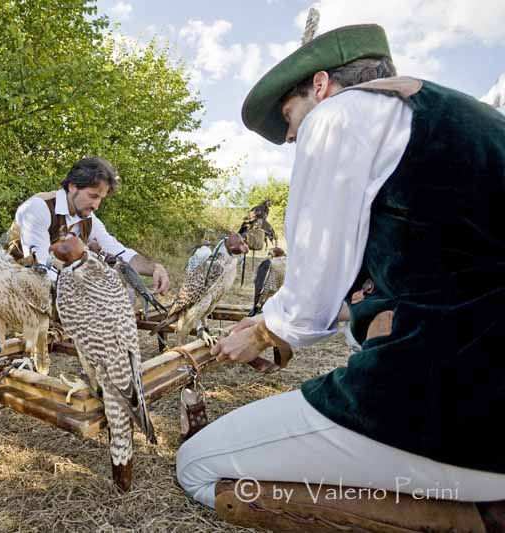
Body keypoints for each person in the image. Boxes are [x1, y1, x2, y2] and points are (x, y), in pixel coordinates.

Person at [176, 23, 505, 531]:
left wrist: (266, 331)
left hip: (457, 400)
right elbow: (439, 275)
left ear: (323, 85)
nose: (290, 136)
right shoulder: (462, 120)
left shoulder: (341, 115)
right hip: (482, 388)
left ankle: (478, 519)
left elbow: (310, 295)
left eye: (288, 116)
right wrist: (286, 332)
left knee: (198, 465)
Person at [7, 156, 170, 294]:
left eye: (100, 199)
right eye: (92, 196)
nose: (96, 205)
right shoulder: (38, 207)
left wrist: (154, 267)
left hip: (55, 290)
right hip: (13, 287)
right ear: (72, 186)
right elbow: (41, 269)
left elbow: (119, 253)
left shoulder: (89, 219)